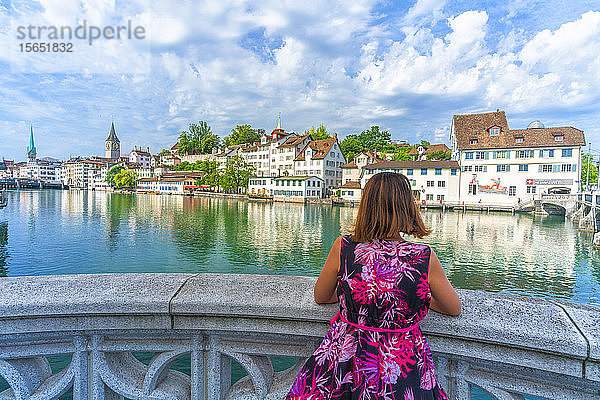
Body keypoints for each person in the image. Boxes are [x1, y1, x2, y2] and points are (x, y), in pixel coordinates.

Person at [287, 172, 460, 400]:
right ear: (407, 207)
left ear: (366, 207)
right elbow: (452, 307)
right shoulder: (422, 256)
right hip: (400, 363)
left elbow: (321, 295)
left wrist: (353, 297)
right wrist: (416, 298)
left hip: (346, 355)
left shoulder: (344, 247)